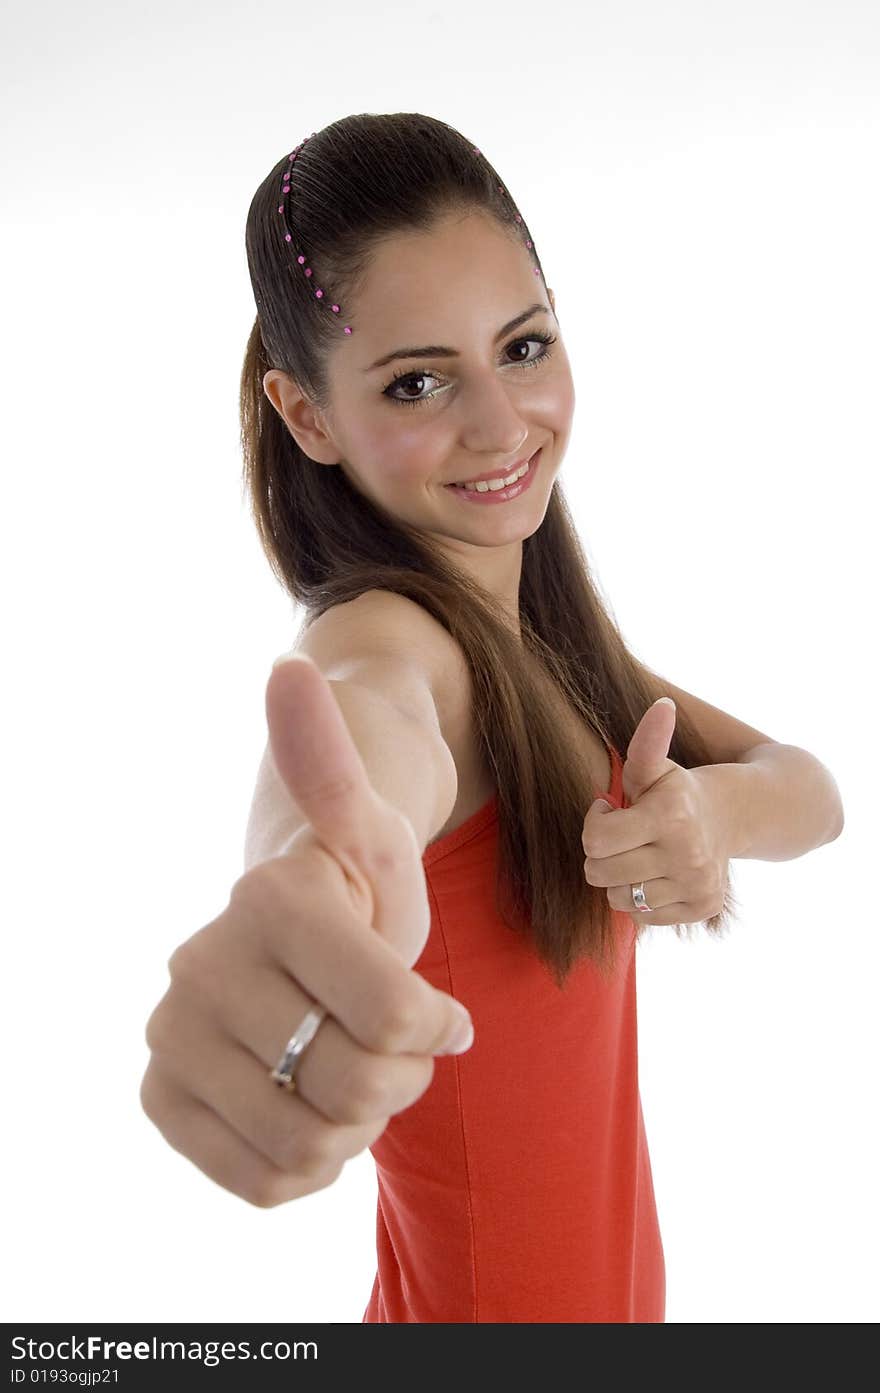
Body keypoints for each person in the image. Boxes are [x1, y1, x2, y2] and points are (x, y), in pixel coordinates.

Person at [139, 112, 798, 1323]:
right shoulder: (396, 646)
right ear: (308, 418)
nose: (502, 427)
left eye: (524, 345)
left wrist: (710, 810)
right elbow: (357, 747)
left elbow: (804, 787)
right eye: (418, 380)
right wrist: (310, 887)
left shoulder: (543, 642)